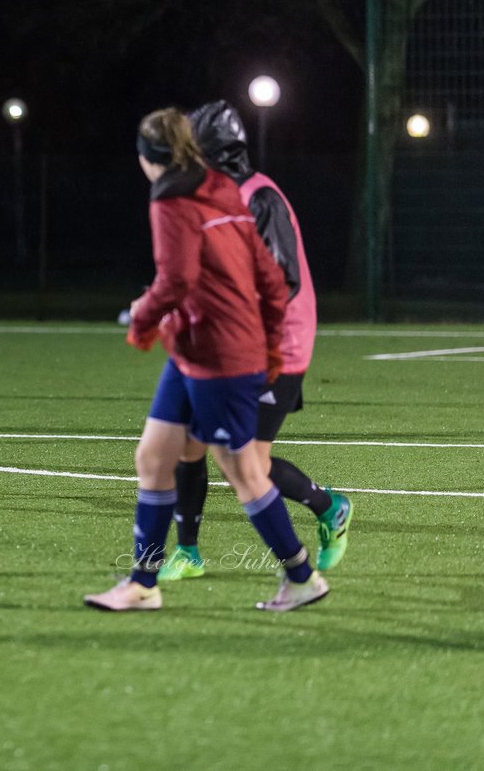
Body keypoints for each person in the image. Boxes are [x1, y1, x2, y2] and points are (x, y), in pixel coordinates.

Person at [84, 107, 328, 612]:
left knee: (242, 470)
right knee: (154, 459)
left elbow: (177, 281)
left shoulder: (170, 200)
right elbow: (266, 272)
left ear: (148, 158)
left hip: (219, 352)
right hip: (194, 350)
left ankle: (302, 577)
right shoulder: (220, 187)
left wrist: (141, 318)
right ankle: (142, 583)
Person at [157, 100, 351, 581]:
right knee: (188, 444)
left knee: (248, 467)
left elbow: (281, 281)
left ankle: (330, 508)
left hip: (277, 347)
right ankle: (188, 553)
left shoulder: (259, 197)